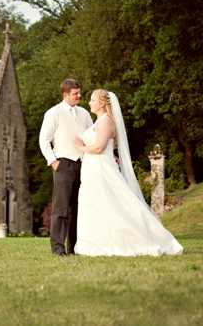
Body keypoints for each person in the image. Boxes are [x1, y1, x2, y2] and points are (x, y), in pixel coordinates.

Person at [74, 89, 183, 256]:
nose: (89, 102)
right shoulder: (97, 122)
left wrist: (79, 147)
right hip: (92, 169)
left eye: (92, 99)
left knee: (117, 204)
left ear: (102, 103)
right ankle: (97, 242)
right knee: (97, 204)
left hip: (102, 169)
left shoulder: (106, 121)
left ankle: (146, 238)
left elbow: (98, 147)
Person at [39, 79, 93, 256]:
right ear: (65, 94)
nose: (79, 96)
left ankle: (74, 248)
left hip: (83, 164)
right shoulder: (53, 113)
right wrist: (53, 161)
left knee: (77, 208)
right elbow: (44, 140)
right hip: (63, 163)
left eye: (79, 92)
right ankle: (58, 248)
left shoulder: (84, 113)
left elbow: (91, 136)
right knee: (61, 208)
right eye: (75, 93)